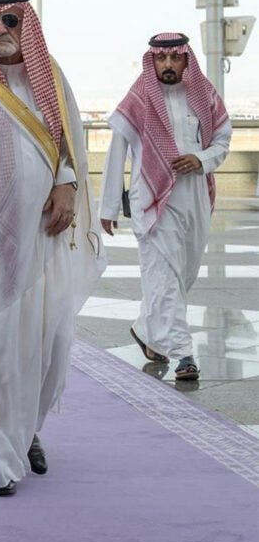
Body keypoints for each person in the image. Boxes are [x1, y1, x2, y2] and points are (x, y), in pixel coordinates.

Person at [0, 0, 105, 496]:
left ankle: (26, 431)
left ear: (27, 24)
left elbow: (69, 143)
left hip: (44, 238)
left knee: (47, 346)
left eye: (10, 20)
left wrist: (66, 182)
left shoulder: (51, 76)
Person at [100, 33, 231, 381]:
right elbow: (116, 152)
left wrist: (201, 159)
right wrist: (109, 206)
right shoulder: (138, 99)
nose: (168, 64)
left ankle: (147, 330)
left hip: (194, 196)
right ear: (152, 61)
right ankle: (184, 354)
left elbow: (223, 139)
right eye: (161, 59)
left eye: (175, 58)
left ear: (186, 60)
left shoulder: (204, 95)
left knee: (181, 274)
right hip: (152, 200)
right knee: (164, 275)